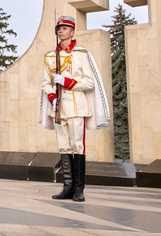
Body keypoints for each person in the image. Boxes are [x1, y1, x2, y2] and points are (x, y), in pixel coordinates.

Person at [40, 15, 111, 202]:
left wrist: (67, 82)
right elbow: (45, 83)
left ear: (72, 32)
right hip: (58, 108)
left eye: (64, 28)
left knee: (78, 147)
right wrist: (52, 97)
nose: (60, 31)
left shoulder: (81, 54)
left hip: (77, 107)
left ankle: (79, 189)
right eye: (59, 28)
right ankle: (68, 187)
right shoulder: (49, 56)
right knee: (63, 147)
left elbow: (89, 82)